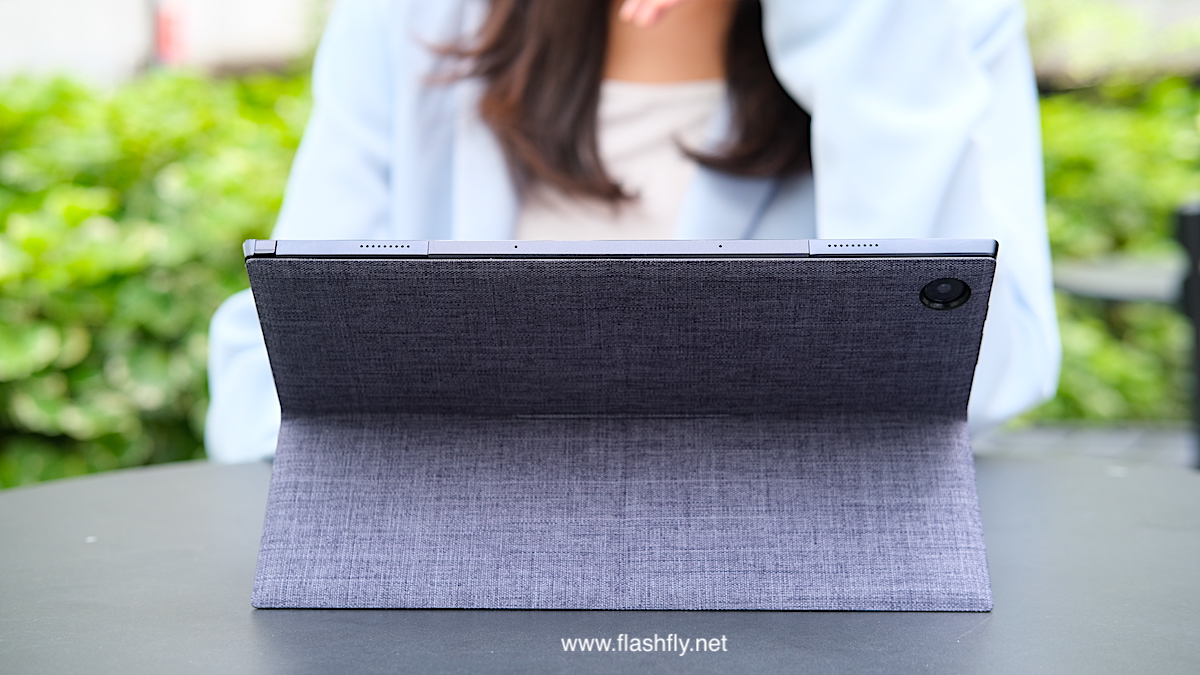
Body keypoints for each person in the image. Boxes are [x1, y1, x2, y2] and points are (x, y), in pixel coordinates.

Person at [205, 0, 1060, 463]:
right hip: (464, 597)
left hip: (786, 605)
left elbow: (988, 374)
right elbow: (264, 380)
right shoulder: (411, 23)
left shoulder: (935, 21)